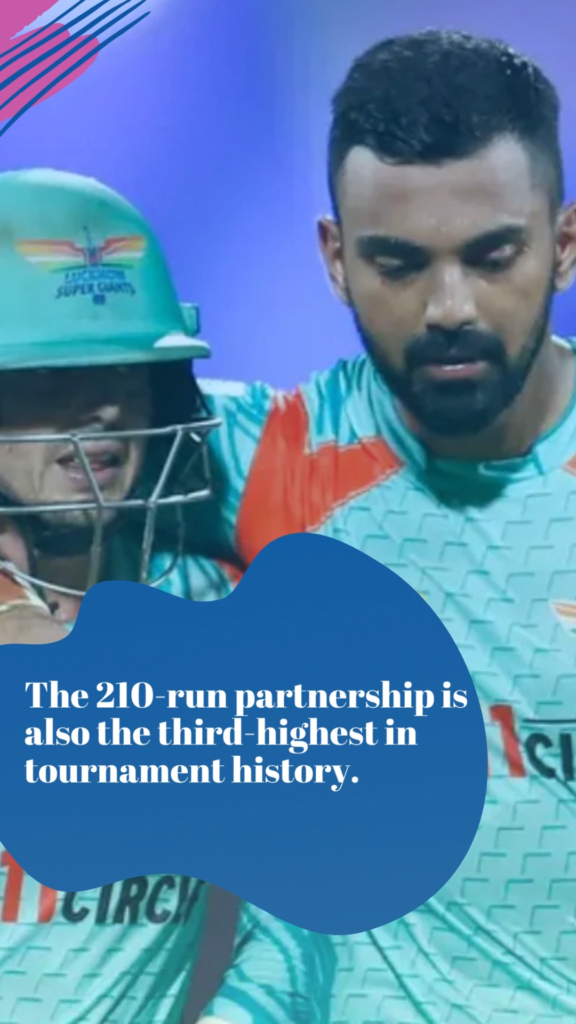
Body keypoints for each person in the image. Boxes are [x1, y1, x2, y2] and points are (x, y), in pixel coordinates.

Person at [188, 29, 576, 1024]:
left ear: (565, 243)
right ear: (335, 258)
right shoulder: (266, 459)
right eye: (398, 264)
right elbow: (57, 429)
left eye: (492, 257)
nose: (449, 307)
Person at [0, 168, 334, 1024]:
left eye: (126, 371)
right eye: (50, 377)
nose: (102, 409)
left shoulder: (226, 617)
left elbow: (300, 912)